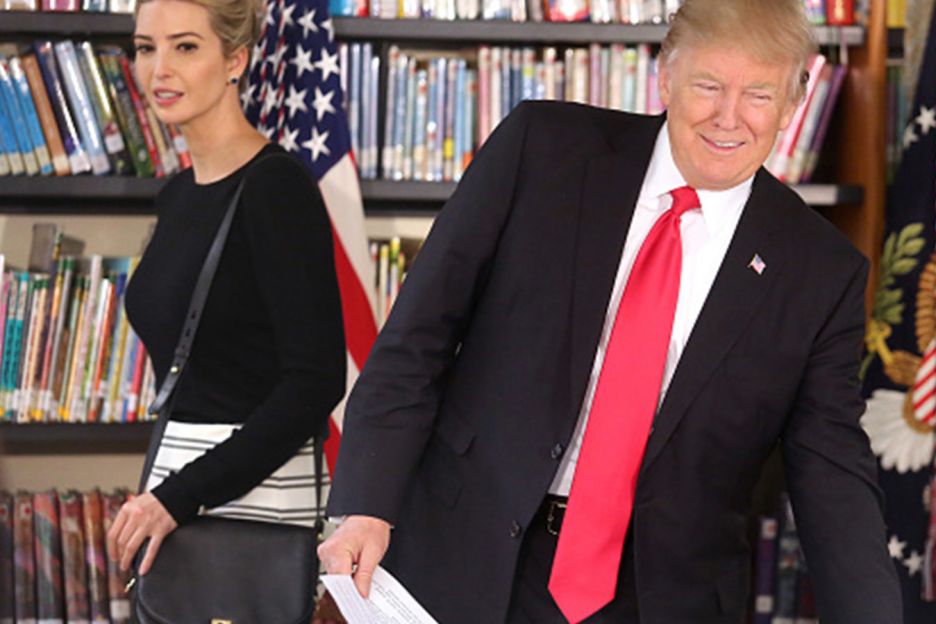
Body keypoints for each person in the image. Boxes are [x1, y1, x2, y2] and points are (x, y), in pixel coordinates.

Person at [320, 0, 902, 621]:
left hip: (659, 596)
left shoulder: (820, 271)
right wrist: (367, 505)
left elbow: (832, 471)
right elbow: (418, 338)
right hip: (466, 554)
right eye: (708, 86)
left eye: (759, 95)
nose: (729, 118)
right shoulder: (541, 150)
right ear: (665, 77)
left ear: (793, 104)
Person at [106, 0, 346, 578]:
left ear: (235, 59)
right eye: (146, 47)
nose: (159, 68)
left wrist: (180, 495)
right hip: (176, 494)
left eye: (185, 46)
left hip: (254, 504)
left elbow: (315, 383)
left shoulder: (276, 189)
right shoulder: (178, 194)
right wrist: (171, 497)